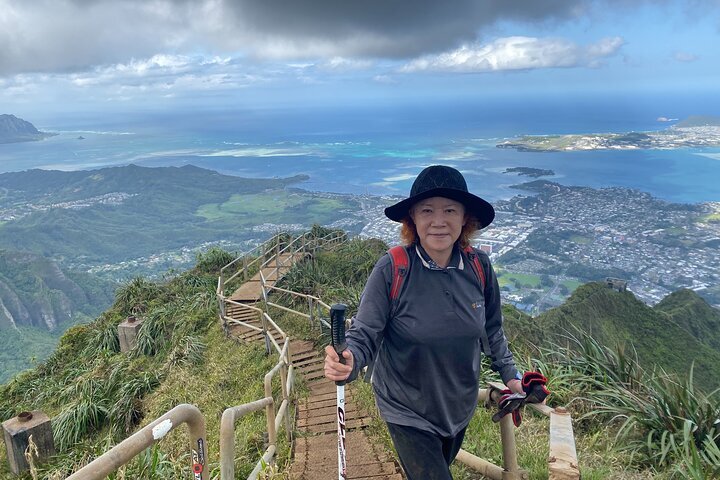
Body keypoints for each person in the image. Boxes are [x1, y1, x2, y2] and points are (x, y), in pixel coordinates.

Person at [324, 165, 523, 480]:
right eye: (427, 210)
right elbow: (364, 333)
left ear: (464, 219)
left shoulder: (479, 267)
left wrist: (512, 378)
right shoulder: (394, 269)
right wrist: (349, 362)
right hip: (407, 410)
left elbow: (492, 330)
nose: (439, 221)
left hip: (458, 409)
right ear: (412, 220)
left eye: (450, 210)